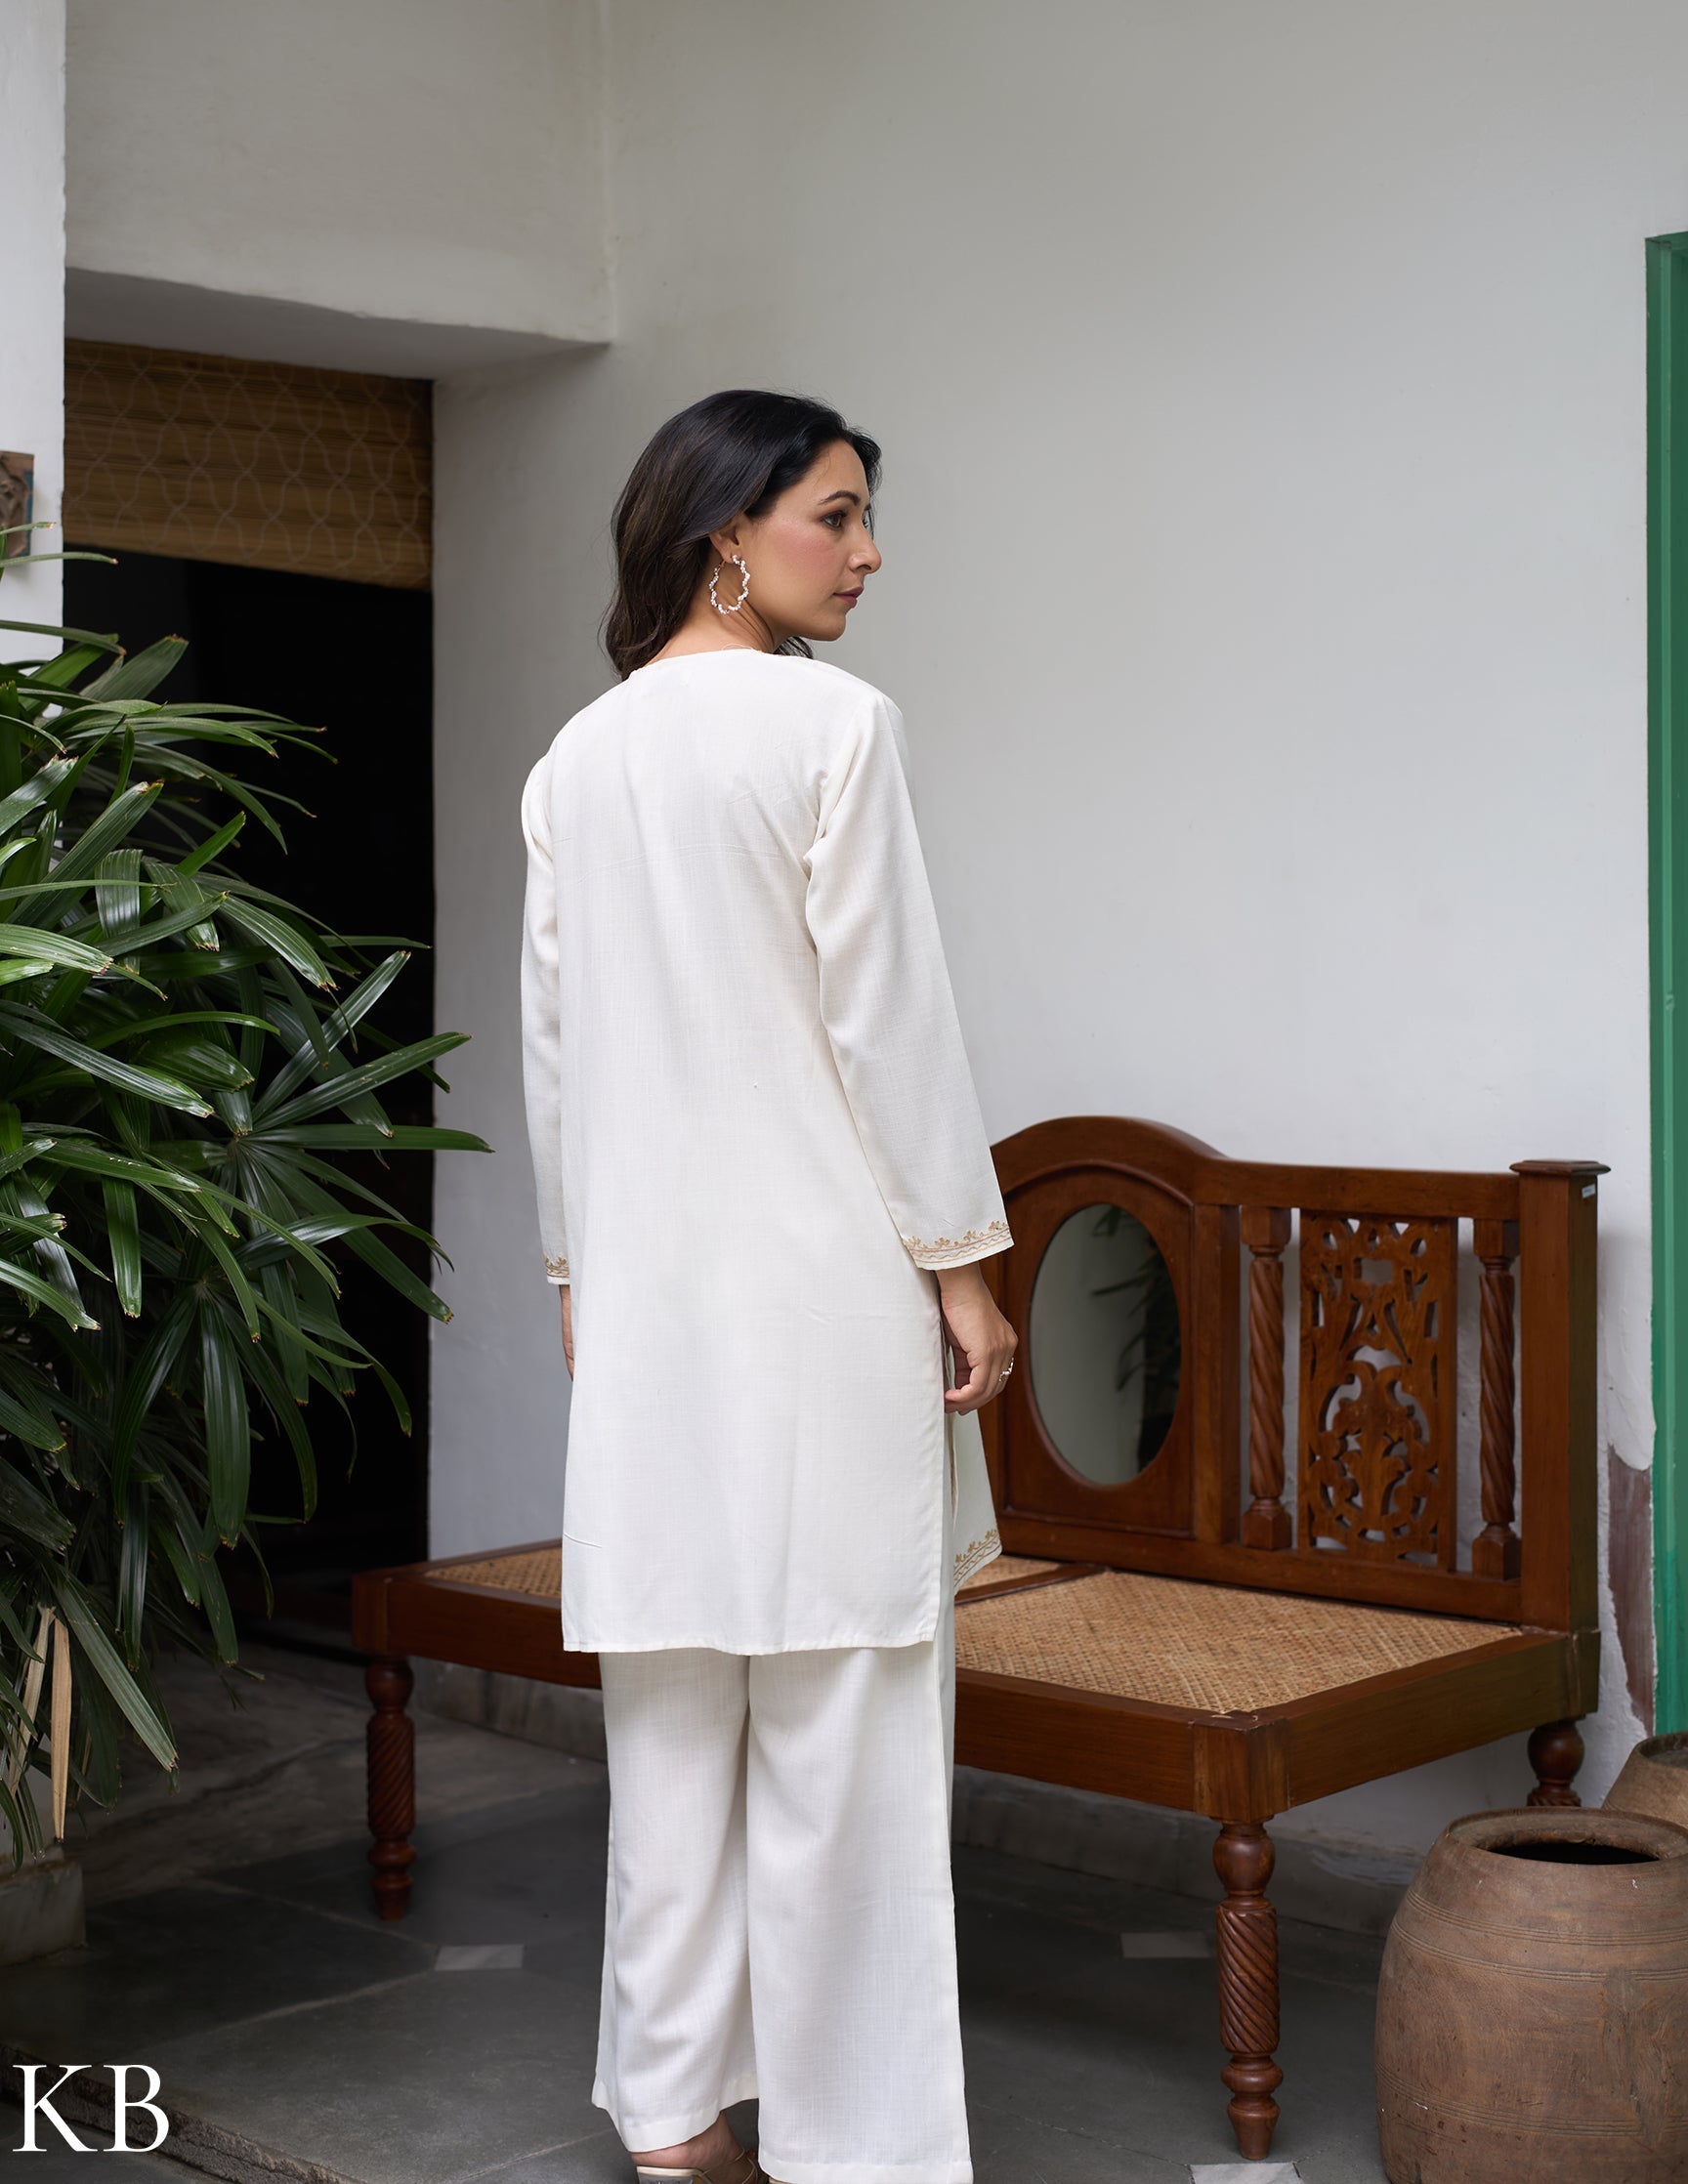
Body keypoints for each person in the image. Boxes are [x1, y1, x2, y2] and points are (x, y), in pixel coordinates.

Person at [519, 390, 1017, 2184]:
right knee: (845, 1742)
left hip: (651, 1309)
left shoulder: (577, 759)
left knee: (670, 1729)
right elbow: (890, 1022)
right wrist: (965, 1266)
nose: (869, 553)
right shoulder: (833, 728)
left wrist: (577, 1271)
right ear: (726, 532)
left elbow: (556, 1052)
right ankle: (854, 2143)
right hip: (820, 1301)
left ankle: (670, 2117)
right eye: (837, 514)